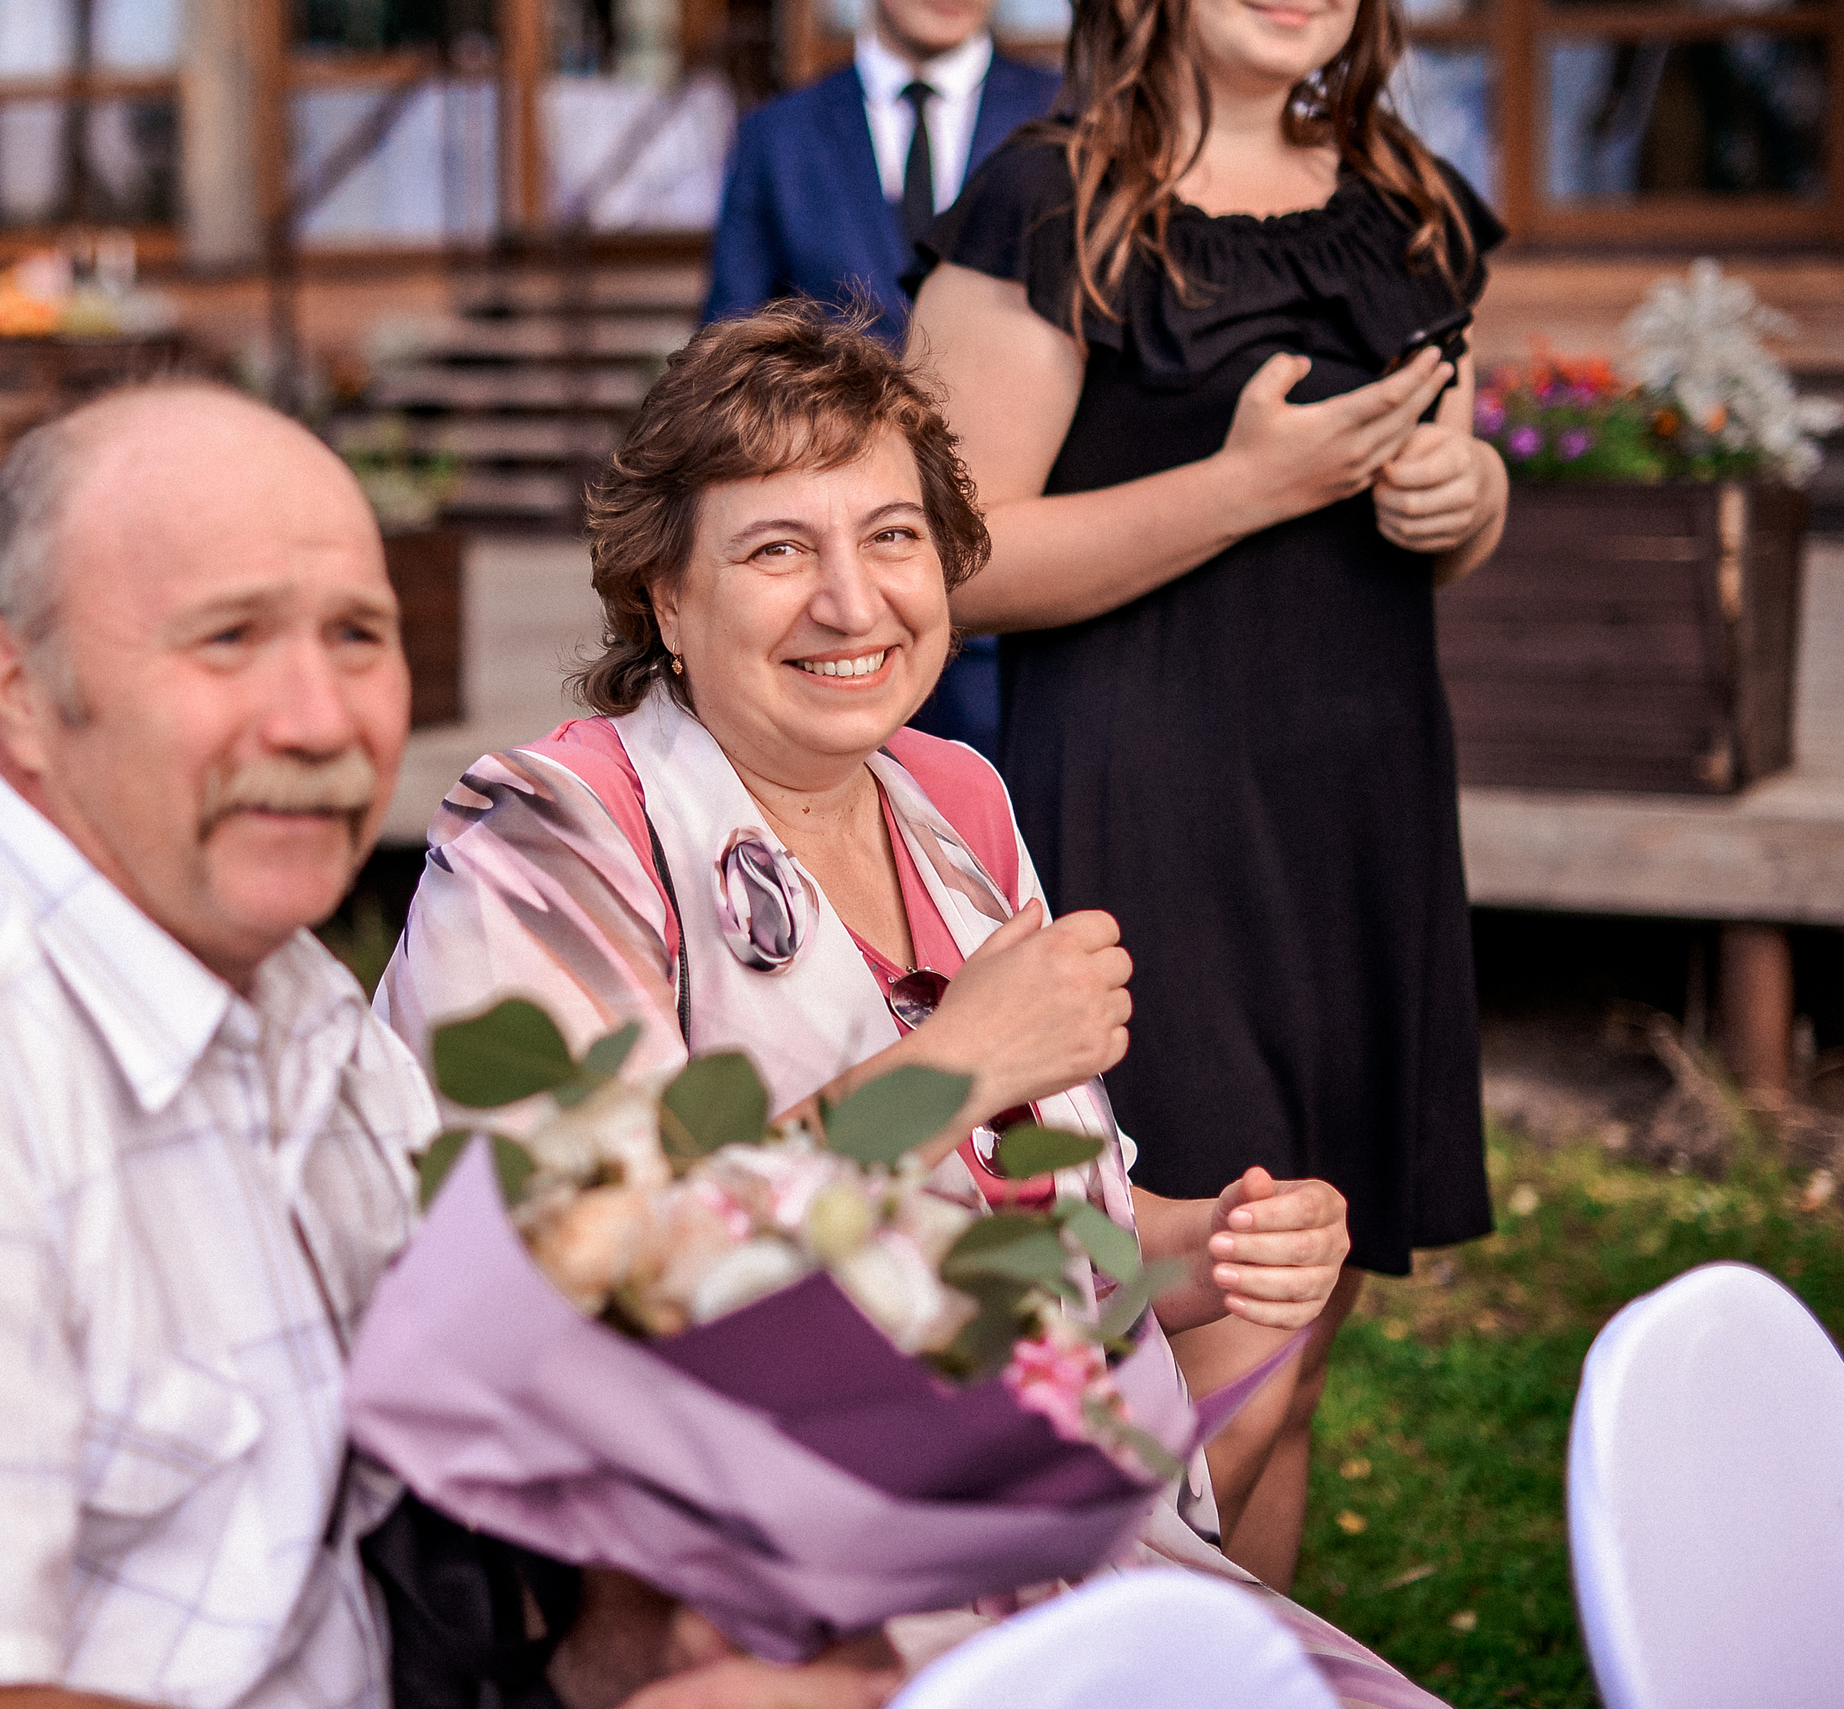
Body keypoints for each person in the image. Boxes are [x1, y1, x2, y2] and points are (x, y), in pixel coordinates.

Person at [0, 383, 893, 1709]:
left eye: (358, 636)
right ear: (21, 685)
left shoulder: (293, 1004)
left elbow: (411, 1543)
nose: (316, 718)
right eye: (227, 639)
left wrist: (648, 1637)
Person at [376, 303, 1444, 1709]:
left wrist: (1204, 1250)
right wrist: (949, 1069)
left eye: (891, 536)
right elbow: (573, 1270)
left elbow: (1034, 1248)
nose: (852, 600)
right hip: (748, 1609)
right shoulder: (553, 831)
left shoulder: (956, 802)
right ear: (662, 601)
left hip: (1040, 1542)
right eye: (777, 549)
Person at [902, 0, 1507, 1592]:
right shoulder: (1053, 204)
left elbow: (1451, 474)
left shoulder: (1407, 197)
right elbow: (945, 565)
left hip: (1361, 829)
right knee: (1211, 1364)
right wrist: (1250, 487)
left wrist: (1470, 494)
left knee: (1300, 1354)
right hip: (1150, 829)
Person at [703, 0, 1060, 756]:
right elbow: (724, 367)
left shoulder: (1069, 116)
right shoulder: (779, 137)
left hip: (1027, 623)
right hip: (840, 618)